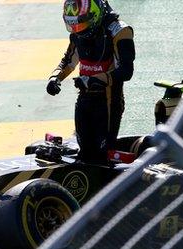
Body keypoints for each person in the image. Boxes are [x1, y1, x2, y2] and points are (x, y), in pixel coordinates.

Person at [46, 0, 135, 164]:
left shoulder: (120, 31)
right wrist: (55, 78)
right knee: (84, 151)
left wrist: (95, 80)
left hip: (108, 102)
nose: (77, 30)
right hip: (84, 99)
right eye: (74, 25)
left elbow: (126, 70)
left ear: (95, 15)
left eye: (81, 24)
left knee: (101, 155)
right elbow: (68, 61)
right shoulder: (78, 34)